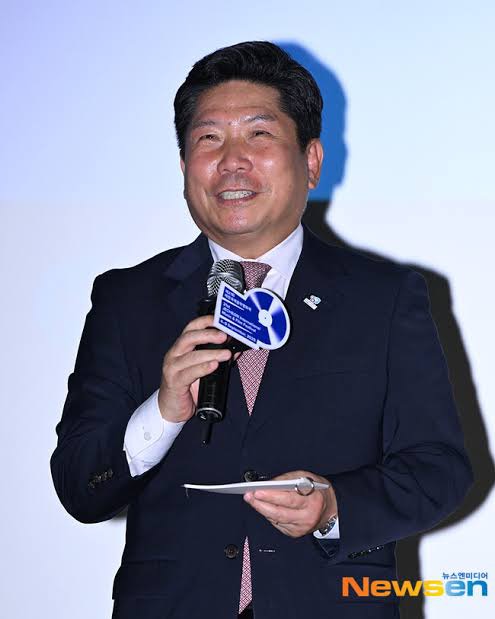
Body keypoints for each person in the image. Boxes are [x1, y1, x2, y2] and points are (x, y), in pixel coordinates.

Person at [51, 41, 472, 619]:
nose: (232, 160)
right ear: (184, 167)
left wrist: (334, 507)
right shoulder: (128, 299)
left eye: (259, 134)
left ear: (312, 161)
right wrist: (163, 412)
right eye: (208, 138)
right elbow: (80, 486)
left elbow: (438, 468)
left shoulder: (384, 298)